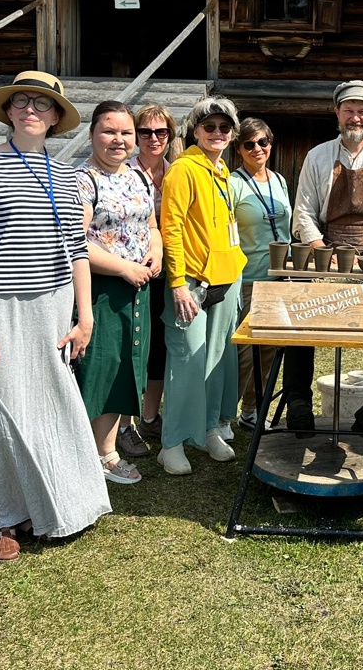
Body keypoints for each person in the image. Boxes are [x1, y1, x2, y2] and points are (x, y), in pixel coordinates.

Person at [0, 70, 111, 564]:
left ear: (57, 116)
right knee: (2, 416)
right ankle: (5, 518)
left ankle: (62, 502)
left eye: (41, 104)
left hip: (52, 308)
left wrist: (85, 317)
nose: (30, 110)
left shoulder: (67, 175)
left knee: (52, 406)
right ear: (8, 111)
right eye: (20, 102)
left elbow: (78, 250)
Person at [288, 80, 363, 434]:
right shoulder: (318, 156)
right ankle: (297, 401)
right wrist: (323, 254)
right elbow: (305, 214)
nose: (355, 118)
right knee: (299, 321)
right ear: (337, 113)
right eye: (348, 110)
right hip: (323, 252)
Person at [157, 95, 247, 474]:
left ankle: (209, 428)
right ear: (195, 130)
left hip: (227, 277)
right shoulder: (183, 169)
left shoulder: (223, 171)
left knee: (217, 361)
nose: (217, 133)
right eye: (209, 126)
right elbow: (171, 228)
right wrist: (177, 282)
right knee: (187, 361)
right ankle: (172, 441)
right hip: (191, 281)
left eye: (224, 127)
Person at [75, 101, 162, 485]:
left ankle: (105, 448)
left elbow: (152, 225)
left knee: (128, 366)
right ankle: (99, 454)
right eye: (109, 131)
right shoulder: (84, 179)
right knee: (101, 368)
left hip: (138, 287)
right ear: (92, 134)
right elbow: (75, 240)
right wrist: (125, 267)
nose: (119, 139)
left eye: (126, 132)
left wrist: (155, 251)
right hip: (102, 287)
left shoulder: (139, 177)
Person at [228, 117, 292, 430]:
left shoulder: (279, 181)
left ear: (271, 143)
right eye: (249, 144)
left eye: (263, 142)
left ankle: (251, 412)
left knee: (268, 351)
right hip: (248, 277)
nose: (257, 149)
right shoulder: (232, 183)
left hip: (280, 277)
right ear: (238, 148)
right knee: (243, 353)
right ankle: (226, 413)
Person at [126, 105, 178, 448]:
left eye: (161, 133)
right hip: (127, 270)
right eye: (145, 132)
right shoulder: (124, 171)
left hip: (166, 269)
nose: (154, 139)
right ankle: (123, 421)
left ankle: (148, 416)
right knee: (130, 344)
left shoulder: (175, 172)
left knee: (158, 345)